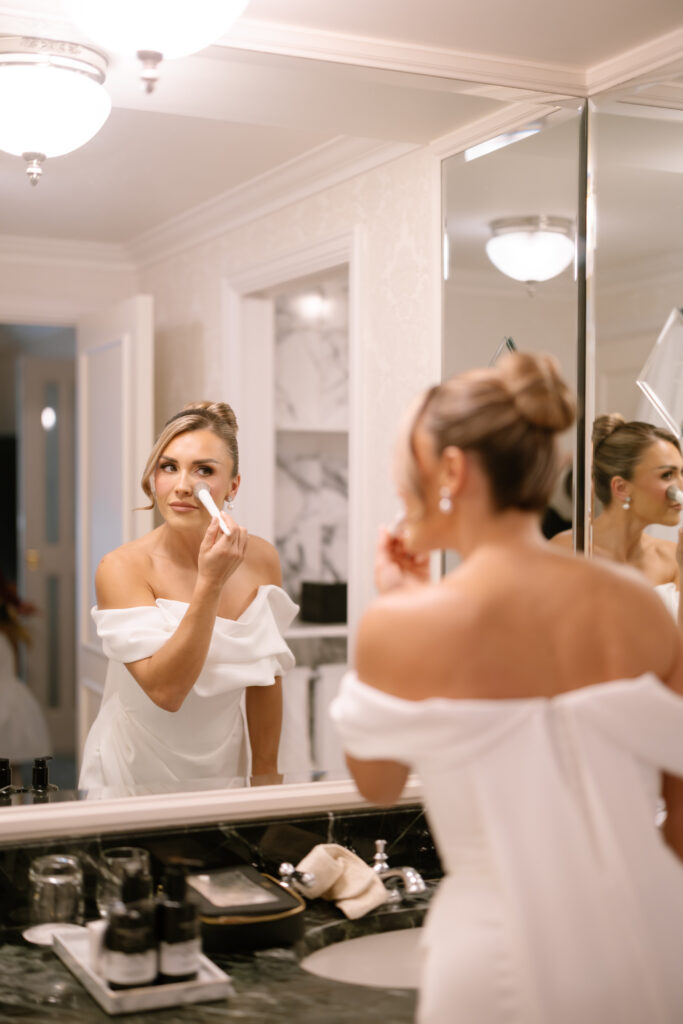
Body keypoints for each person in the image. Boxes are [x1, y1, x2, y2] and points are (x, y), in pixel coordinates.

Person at [330, 353, 683, 1024]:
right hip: (650, 947)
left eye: (407, 469)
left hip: (494, 961)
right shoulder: (640, 607)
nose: (399, 488)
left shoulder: (403, 624)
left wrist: (404, 608)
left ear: (453, 472)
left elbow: (376, 785)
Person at [79, 402, 297, 794]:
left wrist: (266, 779)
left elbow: (267, 675)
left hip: (225, 765)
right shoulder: (123, 567)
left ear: (233, 486)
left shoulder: (262, 559)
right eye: (168, 466)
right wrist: (210, 583)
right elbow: (167, 691)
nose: (182, 485)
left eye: (204, 470)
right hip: (131, 769)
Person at [553, 414, 683, 625]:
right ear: (621, 488)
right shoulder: (567, 552)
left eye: (682, 473)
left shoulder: (673, 559)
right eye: (667, 475)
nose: (680, 487)